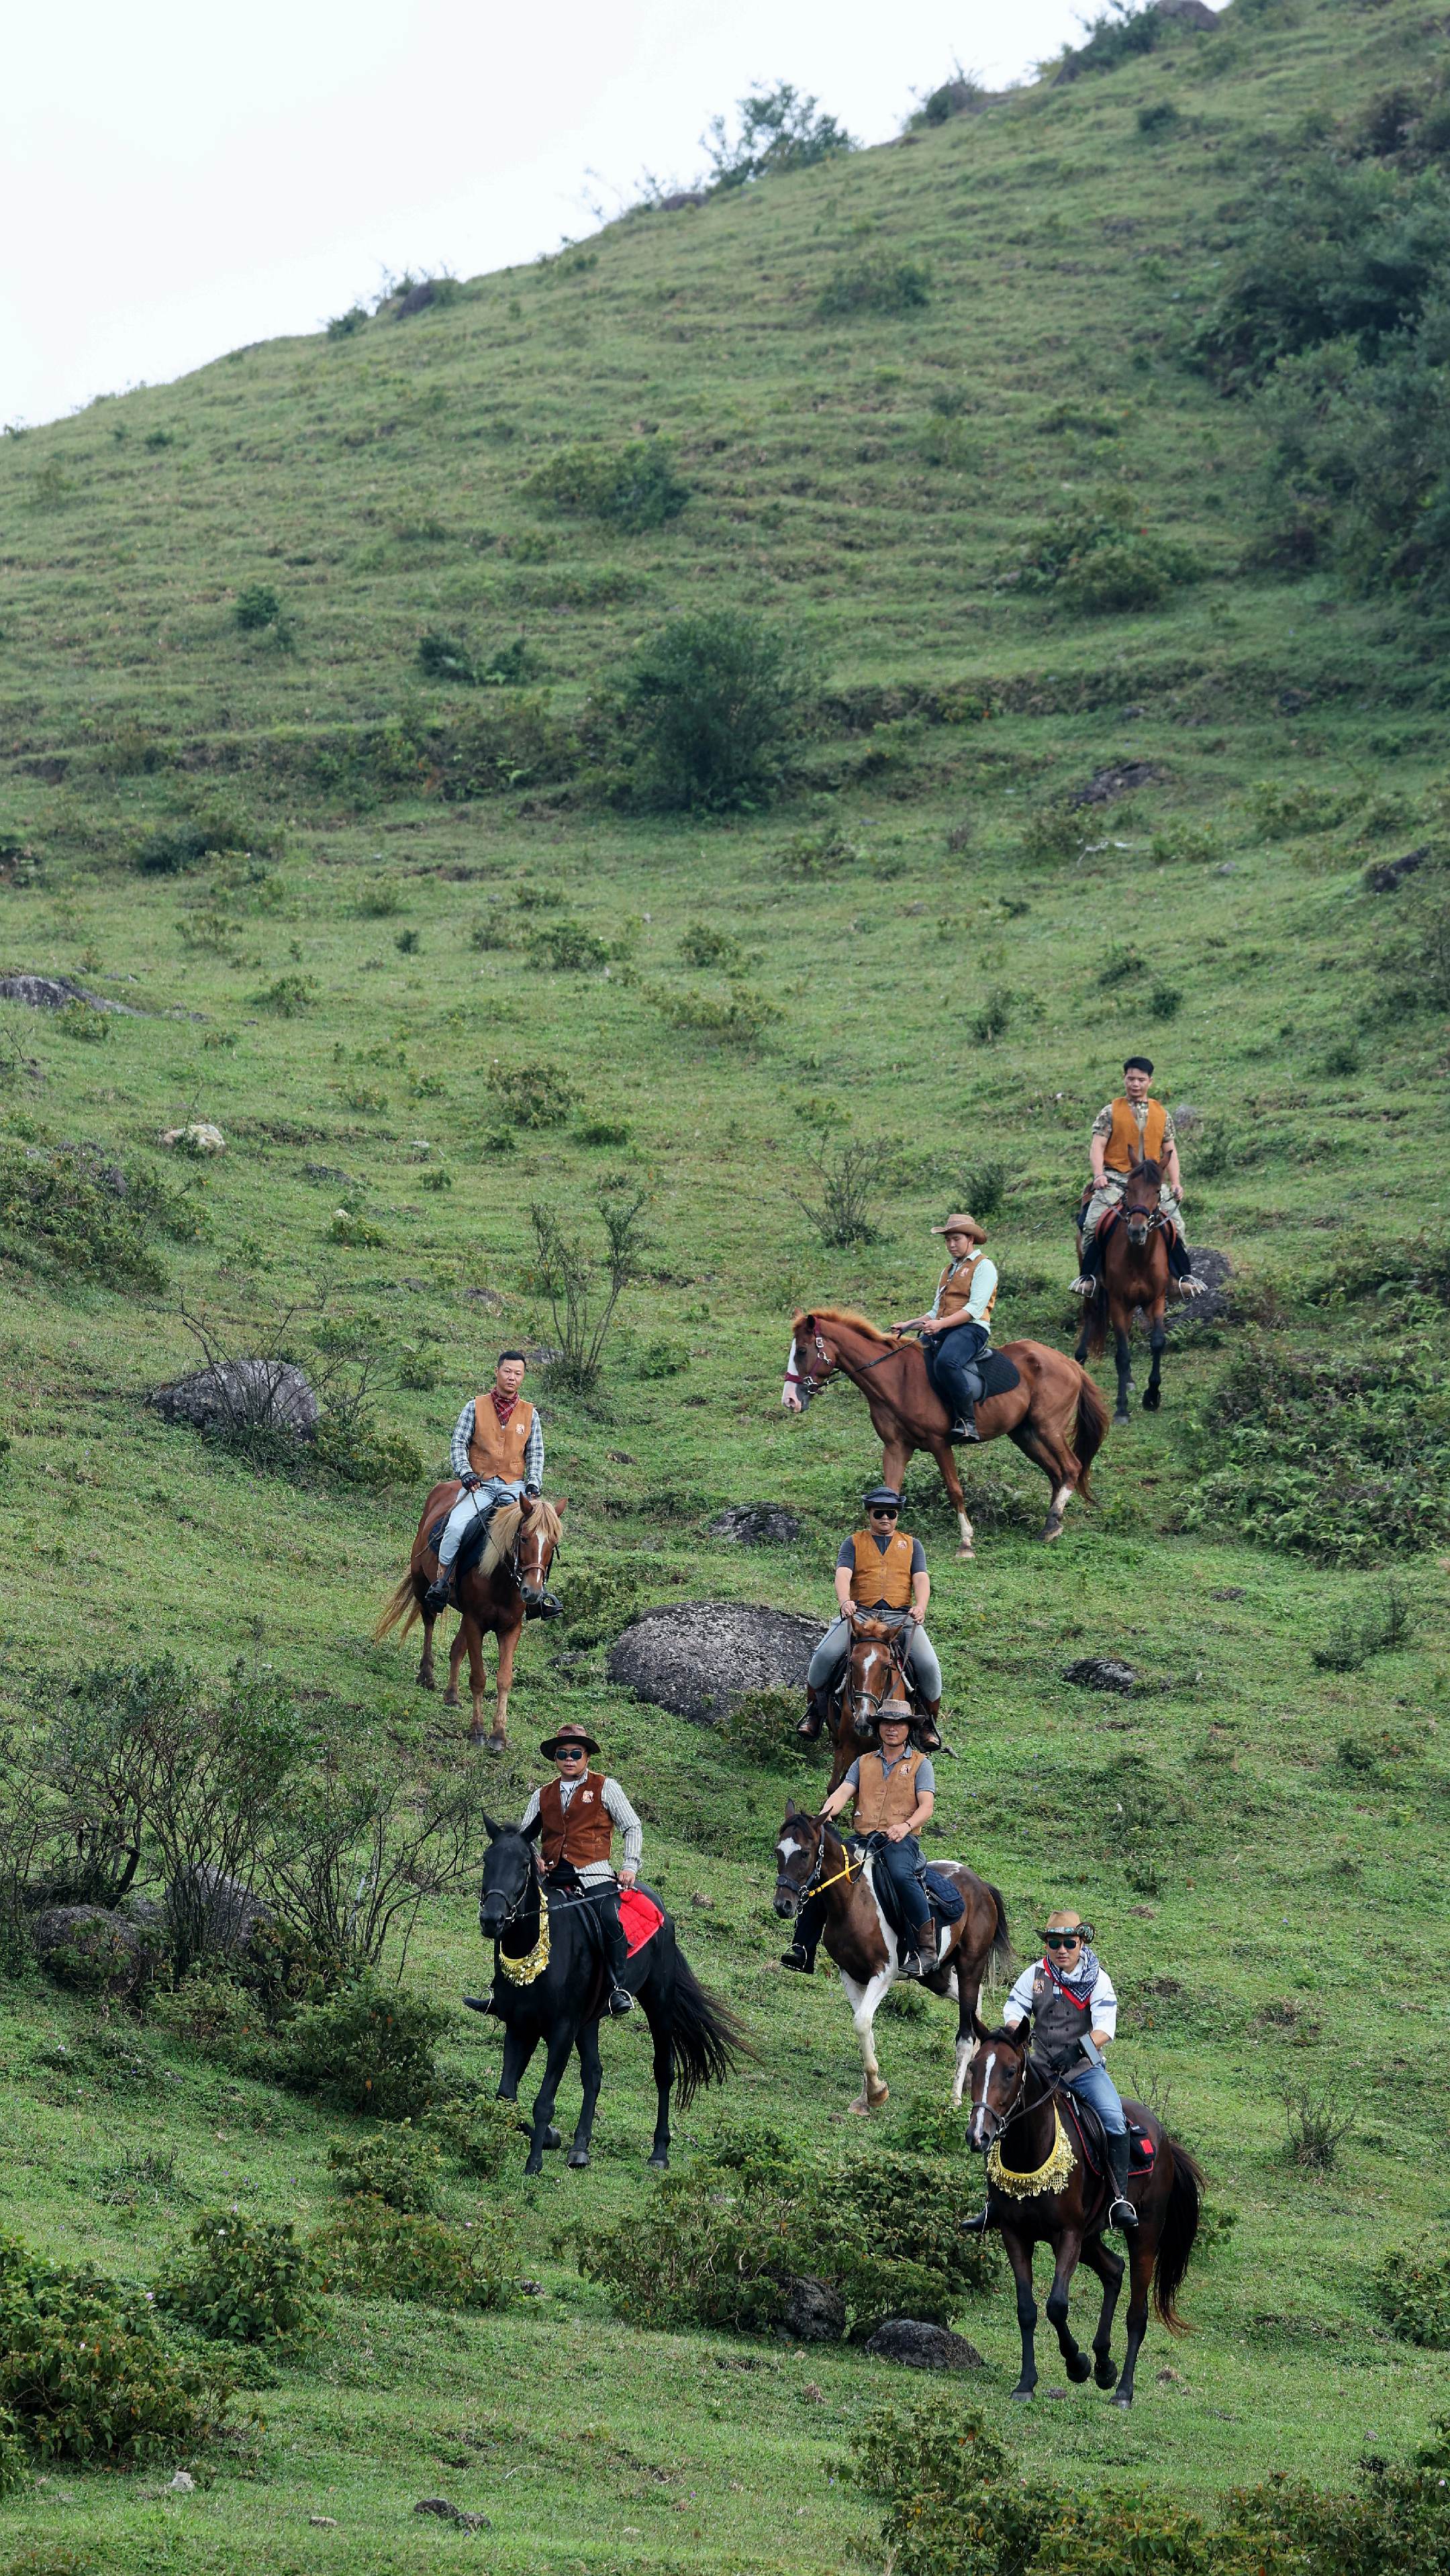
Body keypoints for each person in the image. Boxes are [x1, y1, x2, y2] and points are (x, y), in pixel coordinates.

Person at [1002, 1910, 1138, 2232]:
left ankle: (1119, 2198)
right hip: (1040, 2066)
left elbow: (1106, 2028)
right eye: (1054, 1943)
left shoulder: (1098, 1979)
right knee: (1003, 2111)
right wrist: (1014, 2033)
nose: (1061, 1950)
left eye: (1068, 1943)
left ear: (1081, 1943)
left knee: (1115, 2121)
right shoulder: (1034, 1974)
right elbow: (1015, 2009)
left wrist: (1077, 2050)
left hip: (1084, 2070)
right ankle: (994, 2201)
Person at [798, 1485, 942, 1742]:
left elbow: (920, 1578)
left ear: (897, 1515)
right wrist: (845, 1602)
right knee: (825, 1654)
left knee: (929, 1665)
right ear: (870, 1515)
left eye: (891, 1513)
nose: (885, 1518)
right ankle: (814, 1713)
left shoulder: (912, 1545)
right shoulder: (853, 1542)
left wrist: (920, 1606)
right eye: (879, 1514)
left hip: (901, 1618)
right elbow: (843, 1574)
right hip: (861, 1615)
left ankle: (927, 1724)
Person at [519, 1721, 642, 2017]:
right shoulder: (542, 1795)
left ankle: (617, 1989)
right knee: (516, 1916)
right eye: (563, 1754)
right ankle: (504, 1989)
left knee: (609, 1920)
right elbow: (523, 1836)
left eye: (576, 1753)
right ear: (555, 1759)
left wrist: (629, 1866)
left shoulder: (605, 1787)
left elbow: (632, 1825)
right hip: (552, 1873)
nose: (569, 1759)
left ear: (587, 1757)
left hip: (593, 1871)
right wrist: (534, 1856)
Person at [816, 1701, 938, 1978]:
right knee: (823, 1869)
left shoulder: (920, 1764)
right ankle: (804, 1943)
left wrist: (906, 1827)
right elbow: (843, 1793)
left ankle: (926, 1948)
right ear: (878, 1728)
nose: (892, 1728)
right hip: (863, 1836)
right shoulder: (863, 1762)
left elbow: (926, 1807)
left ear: (909, 1728)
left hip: (899, 1839)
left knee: (901, 1875)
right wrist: (824, 1815)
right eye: (886, 1723)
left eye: (899, 1724)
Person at [424, 1349, 544, 1615]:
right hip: (480, 1484)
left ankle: (537, 1596)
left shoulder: (530, 1414)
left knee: (538, 1534)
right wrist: (466, 1473)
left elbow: (535, 1453)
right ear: (497, 1372)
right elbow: (459, 1442)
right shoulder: (475, 1406)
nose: (512, 1377)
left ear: (523, 1377)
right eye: (507, 1371)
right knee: (455, 1527)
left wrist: (533, 1484)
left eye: (518, 1373)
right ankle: (443, 1582)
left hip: (515, 1487)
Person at [1071, 1058, 1199, 1298]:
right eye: (1131, 1079)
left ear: (1150, 1082)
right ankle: (1090, 1277)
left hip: (1150, 1183)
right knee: (1092, 1223)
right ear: (1124, 1079)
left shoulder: (1162, 1114)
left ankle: (1181, 1277)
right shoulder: (1110, 1112)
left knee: (1177, 1225)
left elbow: (1170, 1151)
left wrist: (1176, 1183)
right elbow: (1097, 1146)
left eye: (1141, 1080)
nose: (1135, 1084)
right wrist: (1098, 1175)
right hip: (1115, 1178)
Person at [895, 1214, 998, 1443]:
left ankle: (967, 1422)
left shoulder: (984, 1266)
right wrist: (909, 1324)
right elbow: (935, 1312)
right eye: (948, 1240)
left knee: (947, 1361)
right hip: (946, 1327)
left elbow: (974, 1309)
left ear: (970, 1239)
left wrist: (940, 1324)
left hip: (972, 1329)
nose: (951, 1245)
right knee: (911, 1359)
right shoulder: (948, 1270)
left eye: (956, 1239)